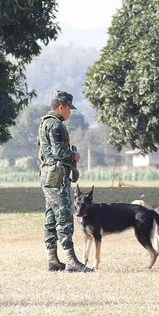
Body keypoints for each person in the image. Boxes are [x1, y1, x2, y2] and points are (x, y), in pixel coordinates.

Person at [38, 90, 93, 272]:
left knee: (51, 217)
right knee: (64, 217)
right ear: (61, 107)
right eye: (69, 108)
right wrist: (74, 156)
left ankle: (52, 258)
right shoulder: (56, 126)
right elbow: (58, 153)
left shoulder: (44, 123)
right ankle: (71, 260)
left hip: (47, 175)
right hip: (57, 177)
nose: (70, 112)